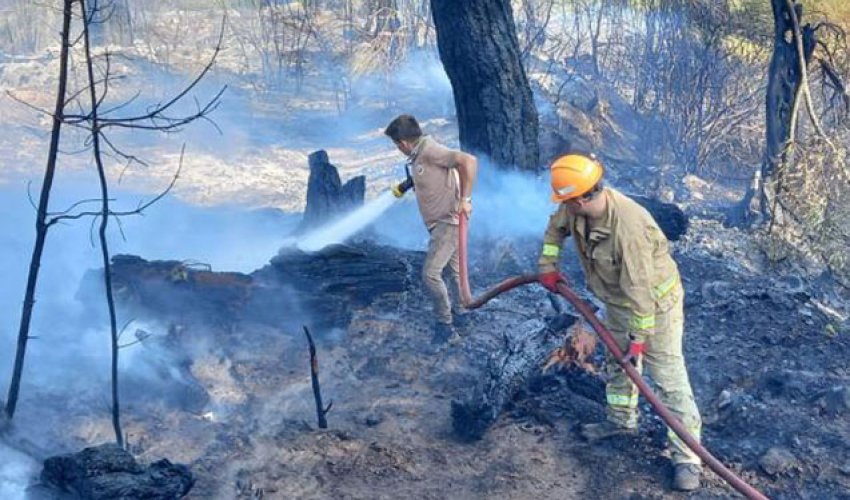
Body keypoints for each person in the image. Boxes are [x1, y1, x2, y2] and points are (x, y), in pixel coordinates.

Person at [537, 153, 703, 491]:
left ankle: (687, 459)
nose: (565, 207)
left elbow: (640, 291)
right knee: (618, 362)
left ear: (583, 196)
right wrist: (547, 264)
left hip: (656, 307)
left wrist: (638, 339)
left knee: (667, 379)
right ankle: (621, 421)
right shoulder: (576, 209)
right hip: (618, 302)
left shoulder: (627, 228)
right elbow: (555, 229)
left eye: (568, 201)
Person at [385, 114, 478, 345]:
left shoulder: (429, 150)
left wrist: (466, 198)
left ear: (403, 143)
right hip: (441, 224)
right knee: (454, 273)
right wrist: (405, 185)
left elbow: (468, 161)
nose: (398, 149)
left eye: (396, 145)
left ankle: (445, 327)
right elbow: (429, 175)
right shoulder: (419, 156)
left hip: (447, 222)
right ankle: (463, 315)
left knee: (430, 275)